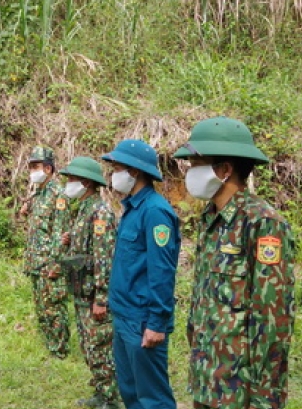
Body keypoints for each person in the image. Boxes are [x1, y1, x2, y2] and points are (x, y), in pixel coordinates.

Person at [173, 117, 296, 409]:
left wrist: (265, 395)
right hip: (208, 377)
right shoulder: (210, 217)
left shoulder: (263, 224)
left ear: (225, 170)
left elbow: (273, 318)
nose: (190, 172)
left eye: (196, 164)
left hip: (239, 388)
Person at [102, 140, 180, 409]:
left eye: (117, 168)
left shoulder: (155, 212)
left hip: (142, 319)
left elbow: (162, 270)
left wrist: (157, 322)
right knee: (131, 391)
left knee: (153, 397)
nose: (113, 175)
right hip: (124, 315)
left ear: (134, 172)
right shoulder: (131, 208)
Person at [59, 156, 120, 409]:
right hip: (81, 292)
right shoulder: (84, 209)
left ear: (85, 182)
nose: (68, 184)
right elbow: (86, 249)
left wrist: (101, 298)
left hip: (93, 295)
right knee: (88, 346)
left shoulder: (100, 212)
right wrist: (69, 239)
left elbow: (104, 258)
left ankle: (111, 398)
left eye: (71, 179)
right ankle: (100, 391)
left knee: (99, 347)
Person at [18, 146, 71, 359]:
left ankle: (60, 350)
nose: (32, 171)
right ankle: (50, 345)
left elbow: (60, 232)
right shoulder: (38, 193)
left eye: (36, 166)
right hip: (35, 262)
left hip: (49, 263)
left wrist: (56, 264)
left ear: (48, 168)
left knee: (54, 308)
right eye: (30, 166)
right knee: (42, 308)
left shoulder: (58, 194)